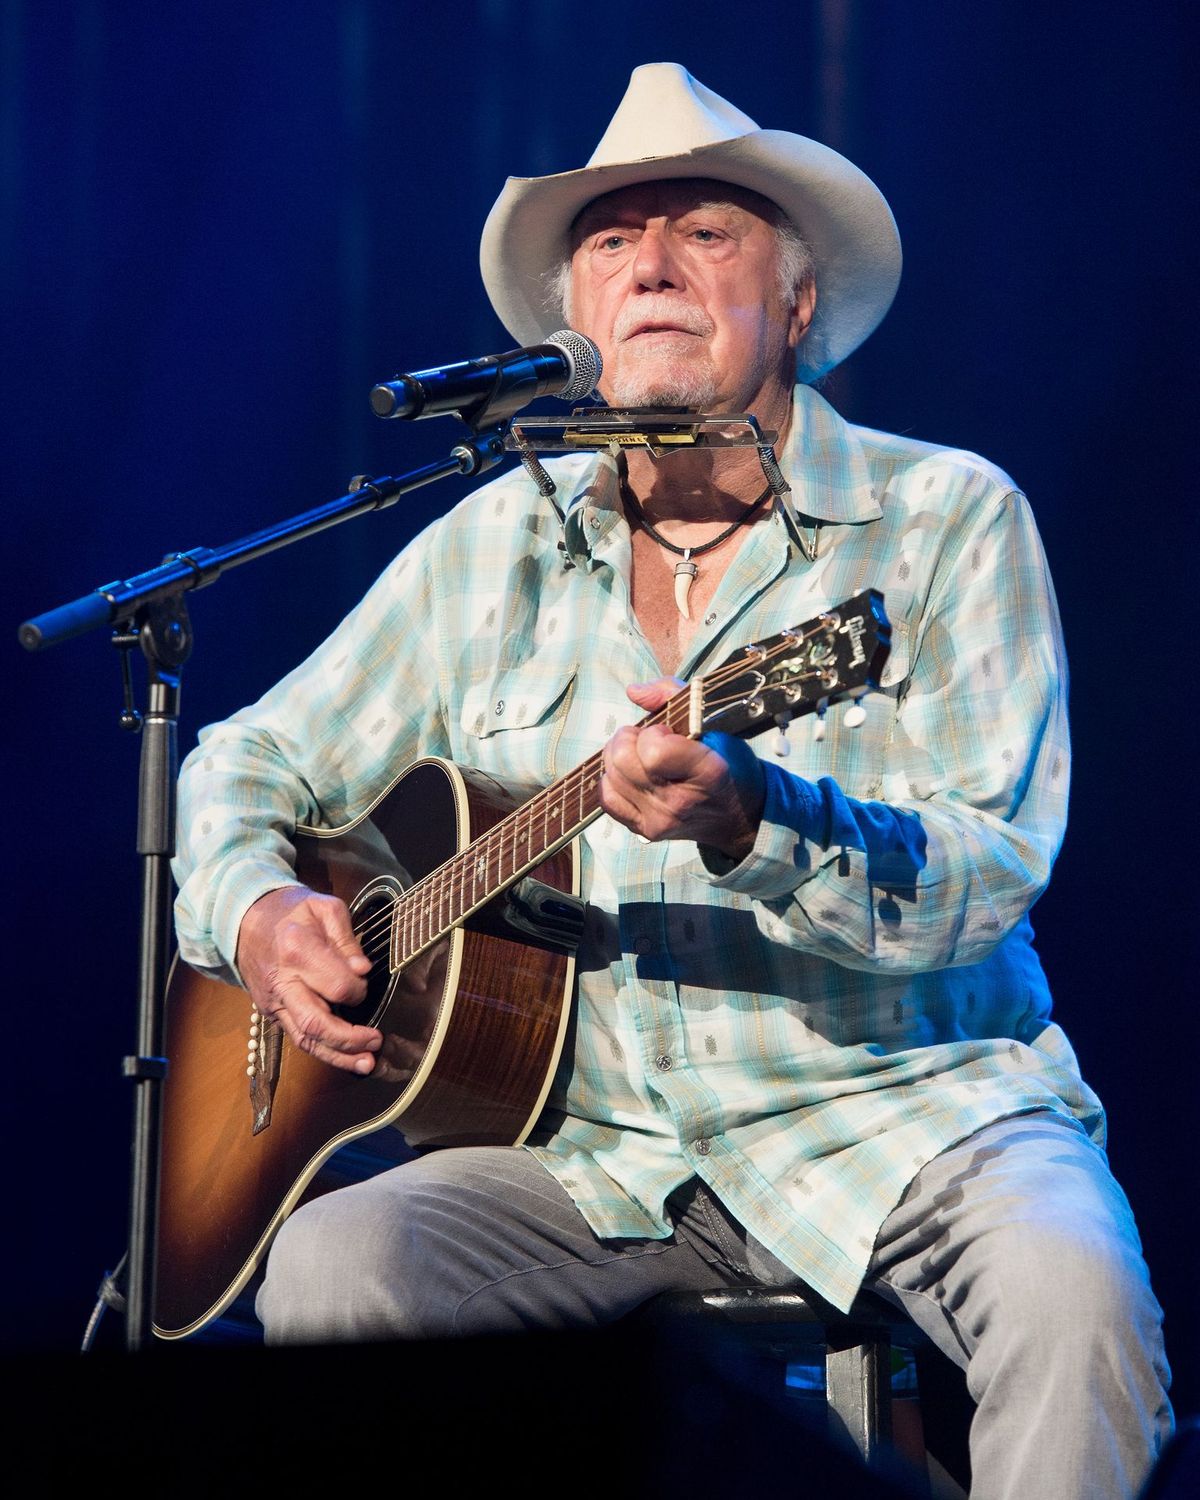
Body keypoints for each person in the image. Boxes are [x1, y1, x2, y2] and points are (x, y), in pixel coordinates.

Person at [173, 64, 1171, 1498]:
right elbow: (243, 760)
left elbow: (987, 870)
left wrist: (758, 820)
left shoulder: (947, 516)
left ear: (800, 301)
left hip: (910, 1117)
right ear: (574, 315)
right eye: (611, 241)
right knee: (338, 1260)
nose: (649, 265)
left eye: (706, 232)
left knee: (1078, 1304)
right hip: (593, 1156)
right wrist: (263, 914)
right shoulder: (489, 546)